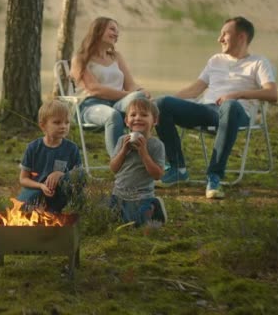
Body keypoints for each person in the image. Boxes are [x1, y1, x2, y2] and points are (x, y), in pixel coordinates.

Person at [154, 16, 278, 199]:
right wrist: (166, 101)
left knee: (229, 106)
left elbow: (272, 94)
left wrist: (237, 95)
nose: (219, 39)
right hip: (207, 110)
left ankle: (214, 176)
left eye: (225, 34)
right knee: (160, 104)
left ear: (241, 37)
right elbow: (196, 89)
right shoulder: (216, 60)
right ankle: (177, 168)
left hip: (238, 113)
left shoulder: (259, 62)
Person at [70, 16, 150, 158]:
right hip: (90, 106)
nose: (116, 34)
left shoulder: (116, 57)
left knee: (141, 99)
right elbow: (94, 89)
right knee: (113, 115)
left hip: (118, 105)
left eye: (117, 31)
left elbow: (131, 85)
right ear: (98, 30)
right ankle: (119, 162)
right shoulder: (80, 58)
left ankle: (147, 155)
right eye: (112, 29)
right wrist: (127, 95)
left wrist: (140, 91)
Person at [17, 100, 85, 213]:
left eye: (67, 122)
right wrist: (41, 186)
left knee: (80, 174)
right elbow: (23, 179)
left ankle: (57, 211)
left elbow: (79, 176)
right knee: (20, 209)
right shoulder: (33, 147)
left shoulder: (72, 148)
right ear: (43, 125)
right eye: (57, 122)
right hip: (37, 190)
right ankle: (42, 210)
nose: (63, 126)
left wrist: (60, 175)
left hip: (61, 193)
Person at [109, 98, 167, 226]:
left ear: (155, 121)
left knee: (138, 223)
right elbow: (113, 168)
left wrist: (144, 153)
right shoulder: (122, 140)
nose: (138, 118)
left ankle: (154, 206)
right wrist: (123, 150)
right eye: (133, 115)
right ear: (126, 121)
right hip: (119, 194)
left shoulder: (156, 145)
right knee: (112, 221)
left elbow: (157, 175)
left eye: (144, 115)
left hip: (142, 196)